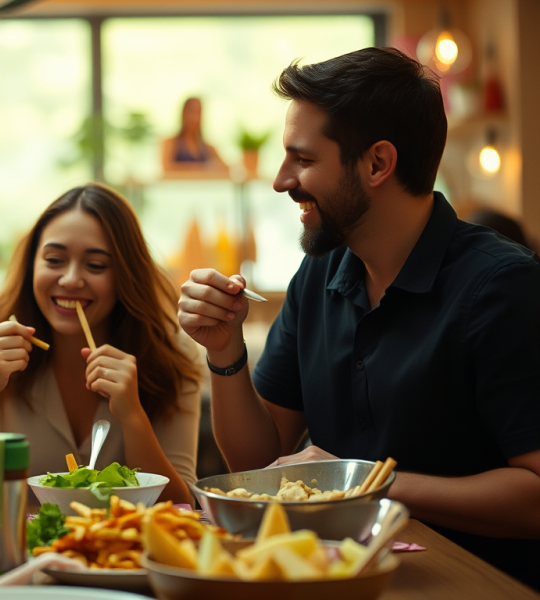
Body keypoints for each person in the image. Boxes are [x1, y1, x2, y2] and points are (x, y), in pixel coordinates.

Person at [177, 47, 540, 588]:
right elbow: (262, 459)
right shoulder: (319, 275)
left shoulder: (504, 286)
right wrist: (224, 351)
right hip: (336, 581)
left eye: (302, 159)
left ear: (377, 163)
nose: (280, 180)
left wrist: (359, 483)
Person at [0, 183, 204, 506]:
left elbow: (182, 508)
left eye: (95, 265)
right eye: (54, 260)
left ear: (126, 273)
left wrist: (133, 417)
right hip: (15, 554)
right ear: (31, 266)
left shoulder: (171, 350)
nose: (70, 279)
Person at [161, 97, 229, 176]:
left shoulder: (208, 148)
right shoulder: (170, 142)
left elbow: (226, 169)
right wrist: (203, 168)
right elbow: (167, 168)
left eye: (199, 112)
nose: (195, 117)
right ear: (183, 113)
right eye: (191, 111)